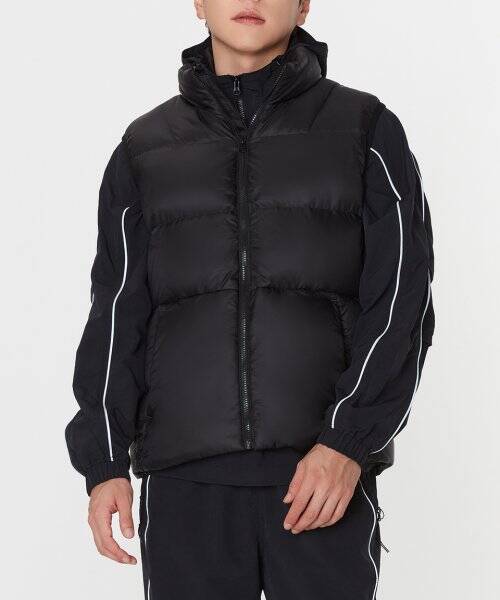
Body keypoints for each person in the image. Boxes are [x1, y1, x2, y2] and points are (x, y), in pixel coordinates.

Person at [66, 1, 435, 598]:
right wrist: (104, 461)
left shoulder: (365, 129)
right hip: (186, 483)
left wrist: (348, 442)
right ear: (198, 3)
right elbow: (115, 313)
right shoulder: (144, 149)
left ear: (303, 5)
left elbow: (403, 299)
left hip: (319, 478)